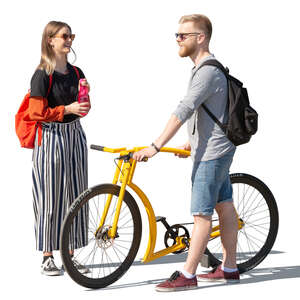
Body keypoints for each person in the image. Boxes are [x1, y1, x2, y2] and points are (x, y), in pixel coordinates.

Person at [133, 14, 239, 292]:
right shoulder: (206, 68)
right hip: (216, 148)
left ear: (200, 38)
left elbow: (185, 109)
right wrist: (191, 143)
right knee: (224, 204)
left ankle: (188, 274)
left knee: (201, 214)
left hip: (212, 154)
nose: (177, 40)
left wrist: (155, 146)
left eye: (183, 35)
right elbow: (211, 111)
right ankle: (229, 268)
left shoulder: (206, 70)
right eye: (176, 35)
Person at [29, 21, 91, 276]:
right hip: (51, 135)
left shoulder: (76, 72)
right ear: (50, 40)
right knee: (49, 196)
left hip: (75, 134)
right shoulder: (42, 73)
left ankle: (70, 254)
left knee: (77, 195)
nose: (69, 40)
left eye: (71, 36)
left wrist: (84, 104)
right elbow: (35, 113)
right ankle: (47, 256)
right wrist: (67, 109)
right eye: (64, 36)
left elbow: (84, 107)